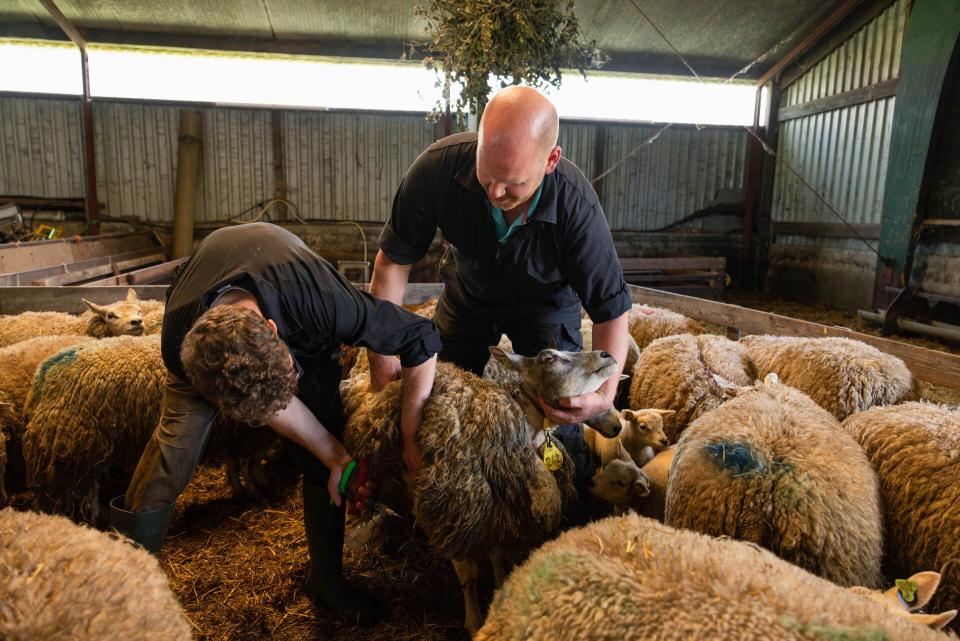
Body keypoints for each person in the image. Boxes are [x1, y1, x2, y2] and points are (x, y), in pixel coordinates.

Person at [110, 222, 440, 625]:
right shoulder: (180, 343)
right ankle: (124, 592)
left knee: (322, 433)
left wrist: (398, 438)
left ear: (271, 331)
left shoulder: (327, 302)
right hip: (210, 320)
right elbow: (262, 402)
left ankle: (326, 580)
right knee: (171, 453)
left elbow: (421, 337)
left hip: (299, 313)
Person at [367, 86, 631, 514]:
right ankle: (449, 510)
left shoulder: (576, 207)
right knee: (440, 397)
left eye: (514, 183)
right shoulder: (438, 170)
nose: (495, 193)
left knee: (561, 412)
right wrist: (381, 356)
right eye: (487, 176)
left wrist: (604, 392)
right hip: (468, 297)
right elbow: (392, 263)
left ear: (550, 161)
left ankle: (567, 512)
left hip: (545, 304)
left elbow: (611, 306)